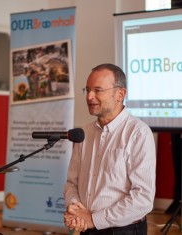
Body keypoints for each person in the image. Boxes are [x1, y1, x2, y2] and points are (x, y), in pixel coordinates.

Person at [63, 63, 156, 235]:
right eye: (87, 89)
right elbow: (71, 183)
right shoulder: (83, 133)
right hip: (87, 227)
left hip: (124, 230)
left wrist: (93, 219)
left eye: (98, 90)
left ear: (120, 94)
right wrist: (75, 209)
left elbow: (142, 199)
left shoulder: (138, 134)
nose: (89, 96)